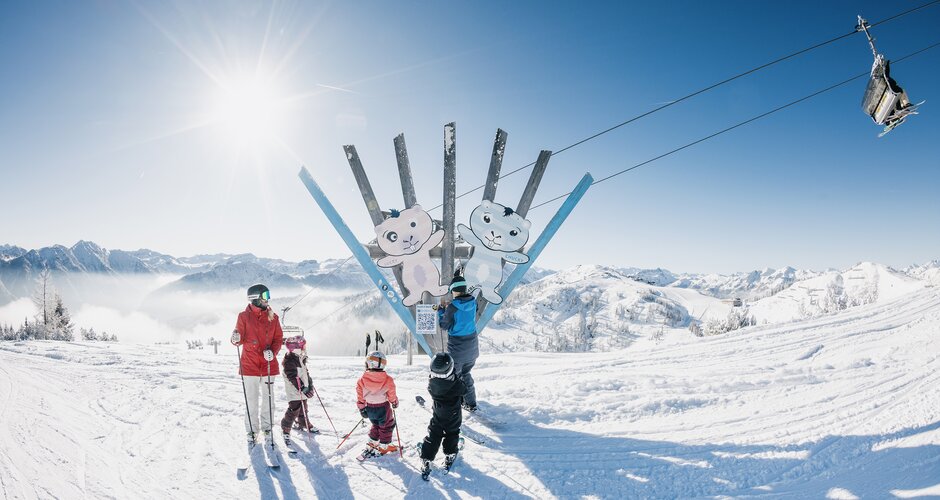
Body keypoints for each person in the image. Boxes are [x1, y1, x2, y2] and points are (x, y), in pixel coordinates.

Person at [230, 283, 283, 446]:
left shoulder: (273, 316)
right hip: (250, 365)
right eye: (265, 296)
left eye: (268, 295)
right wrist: (235, 339)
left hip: (268, 365)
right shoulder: (243, 317)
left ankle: (267, 427)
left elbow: (278, 339)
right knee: (251, 400)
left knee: (269, 399)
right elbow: (238, 338)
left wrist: (273, 352)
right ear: (255, 298)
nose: (268, 299)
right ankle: (252, 430)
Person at [419, 352, 467, 480]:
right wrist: (457, 378)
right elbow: (464, 389)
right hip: (453, 415)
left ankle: (427, 457)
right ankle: (450, 453)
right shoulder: (455, 384)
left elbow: (432, 388)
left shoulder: (432, 383)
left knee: (434, 433)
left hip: (438, 413)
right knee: (452, 433)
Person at [438, 271, 480, 411]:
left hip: (457, 348)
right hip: (473, 347)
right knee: (466, 373)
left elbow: (444, 325)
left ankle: (454, 405)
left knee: (454, 377)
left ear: (453, 290)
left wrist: (441, 312)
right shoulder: (473, 302)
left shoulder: (452, 307)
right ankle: (471, 403)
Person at [355, 351, 399, 457]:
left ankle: (372, 442)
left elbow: (360, 395)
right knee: (387, 426)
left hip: (369, 407)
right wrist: (394, 402)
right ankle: (384, 446)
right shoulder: (388, 379)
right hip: (383, 407)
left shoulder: (361, 380)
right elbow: (391, 394)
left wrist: (362, 408)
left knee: (376, 424)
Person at [280, 335, 319, 447]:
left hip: (302, 390)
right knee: (294, 410)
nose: (304, 348)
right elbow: (292, 376)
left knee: (303, 408)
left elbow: (306, 373)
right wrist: (303, 388)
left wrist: (310, 385)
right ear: (296, 347)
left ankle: (303, 423)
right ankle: (285, 427)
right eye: (302, 346)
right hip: (294, 391)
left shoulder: (299, 358)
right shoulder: (289, 361)